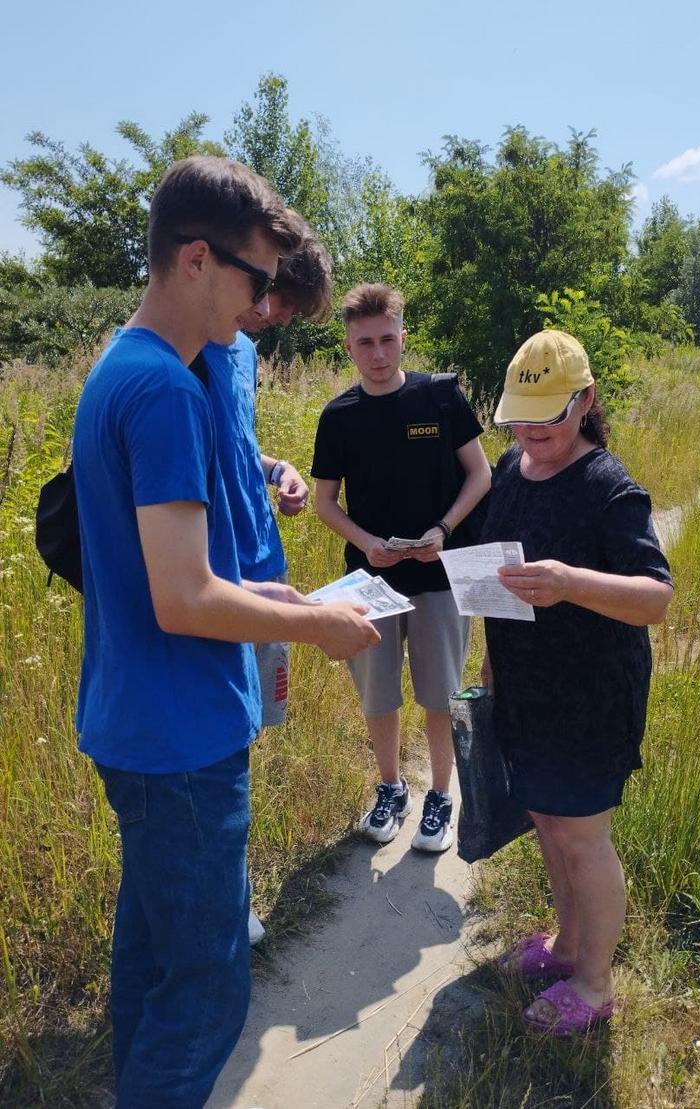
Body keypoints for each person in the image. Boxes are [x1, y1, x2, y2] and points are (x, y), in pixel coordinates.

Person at [72, 156, 379, 1108]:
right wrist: (323, 624)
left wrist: (282, 602)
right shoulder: (163, 389)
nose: (260, 305)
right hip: (183, 737)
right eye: (254, 278)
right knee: (206, 992)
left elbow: (184, 576)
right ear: (196, 259)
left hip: (138, 721)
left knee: (154, 959)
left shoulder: (126, 368)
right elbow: (185, 601)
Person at [480, 329, 672, 1036]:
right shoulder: (508, 467)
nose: (531, 431)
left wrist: (567, 582)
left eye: (549, 415)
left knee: (583, 837)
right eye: (519, 416)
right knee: (548, 824)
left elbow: (653, 596)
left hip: (591, 695)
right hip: (525, 687)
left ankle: (594, 984)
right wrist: (492, 663)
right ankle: (563, 946)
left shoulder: (607, 487)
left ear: (585, 400)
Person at [312, 283, 491, 851]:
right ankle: (390, 788)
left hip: (440, 575)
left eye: (388, 339)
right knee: (378, 694)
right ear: (348, 347)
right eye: (365, 343)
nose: (379, 353)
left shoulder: (439, 398)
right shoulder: (338, 416)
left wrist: (443, 529)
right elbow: (324, 502)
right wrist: (367, 543)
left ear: (403, 337)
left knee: (439, 694)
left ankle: (441, 795)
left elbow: (480, 475)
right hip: (371, 581)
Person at [201, 211, 333, 944]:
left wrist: (275, 469)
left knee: (246, 736)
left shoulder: (243, 354)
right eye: (269, 298)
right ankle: (218, 905)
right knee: (214, 746)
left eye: (283, 314)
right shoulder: (186, 351)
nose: (268, 317)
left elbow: (234, 450)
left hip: (263, 569)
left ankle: (231, 888)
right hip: (215, 584)